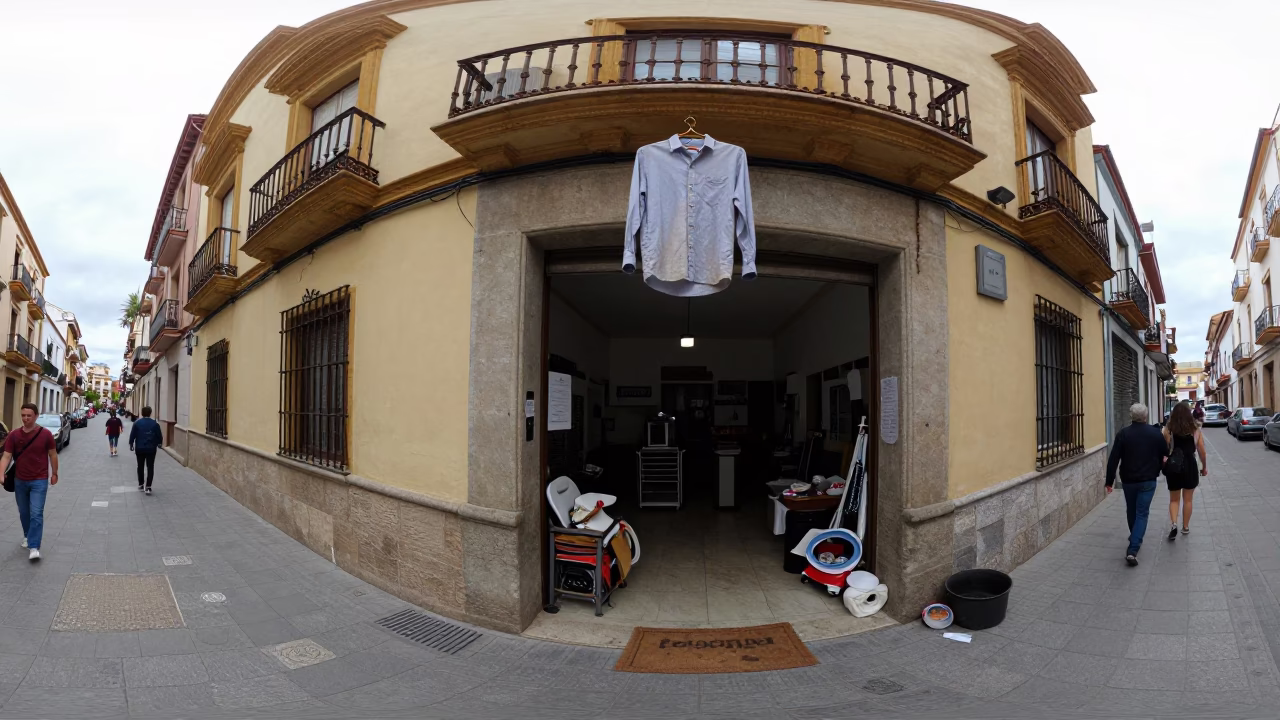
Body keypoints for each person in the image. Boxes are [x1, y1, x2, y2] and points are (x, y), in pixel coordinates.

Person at [1105, 403, 1166, 566]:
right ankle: (1134, 546)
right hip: (1148, 480)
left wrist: (1109, 481)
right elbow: (1165, 453)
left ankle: (1134, 541)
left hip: (1129, 480)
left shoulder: (1123, 434)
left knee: (1132, 510)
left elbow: (1113, 458)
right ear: (1145, 416)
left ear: (1131, 416)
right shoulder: (1155, 433)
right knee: (1142, 512)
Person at [0, 403, 59, 561]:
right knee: (24, 513)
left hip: (39, 480)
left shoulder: (45, 434)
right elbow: (7, 456)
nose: (25, 419)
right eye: (23, 415)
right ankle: (27, 536)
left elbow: (53, 454)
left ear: (36, 416)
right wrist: (1, 473)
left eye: (29, 416)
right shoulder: (14, 435)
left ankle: (34, 546)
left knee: (36, 513)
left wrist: (55, 473)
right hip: (20, 480)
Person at [1163, 402, 1207, 540]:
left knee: (1174, 499)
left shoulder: (1168, 430)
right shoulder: (1196, 430)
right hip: (1190, 465)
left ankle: (1174, 524)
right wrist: (1204, 467)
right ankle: (1185, 527)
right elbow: (1202, 452)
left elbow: (1166, 449)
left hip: (1175, 466)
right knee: (1188, 500)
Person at [129, 406, 163, 495]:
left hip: (139, 448)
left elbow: (132, 435)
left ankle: (141, 484)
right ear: (150, 413)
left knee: (140, 466)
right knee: (150, 467)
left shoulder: (137, 423)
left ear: (142, 413)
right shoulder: (155, 424)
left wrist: (131, 444)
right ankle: (148, 487)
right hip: (151, 448)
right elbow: (159, 435)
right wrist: (159, 443)